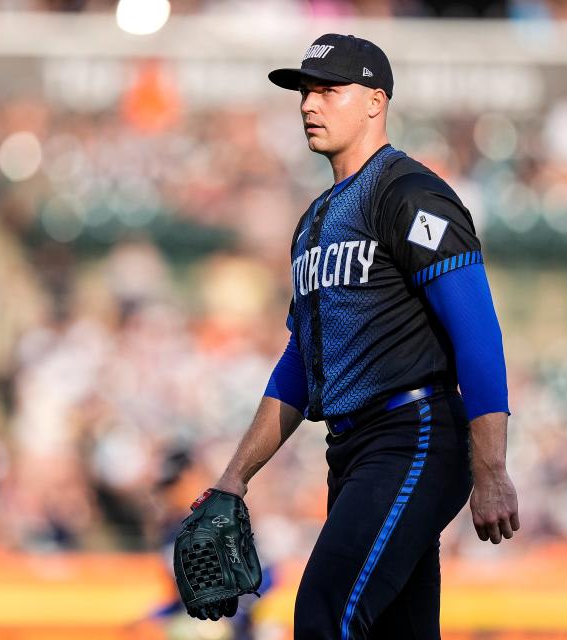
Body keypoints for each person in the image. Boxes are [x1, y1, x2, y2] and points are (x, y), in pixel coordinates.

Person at [207, 34, 520, 639]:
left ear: (375, 101)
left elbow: (478, 334)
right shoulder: (314, 222)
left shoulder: (409, 193)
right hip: (352, 451)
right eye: (304, 92)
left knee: (326, 613)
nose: (308, 105)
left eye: (328, 90)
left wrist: (492, 468)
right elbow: (302, 363)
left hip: (416, 434)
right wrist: (236, 475)